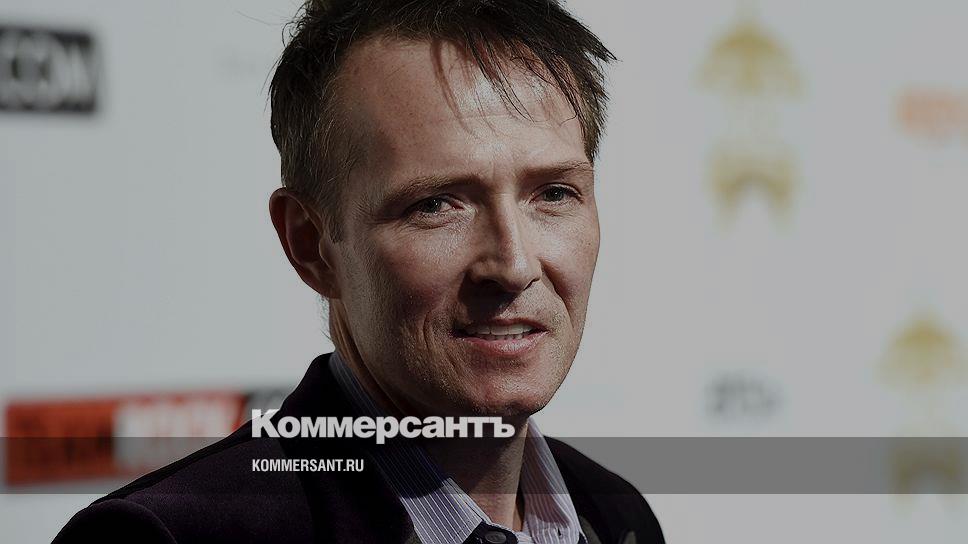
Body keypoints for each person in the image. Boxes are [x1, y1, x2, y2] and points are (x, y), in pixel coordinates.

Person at [55, 1, 664, 542]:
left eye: (554, 194)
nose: (514, 264)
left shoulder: (615, 514)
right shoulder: (170, 537)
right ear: (311, 244)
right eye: (436, 205)